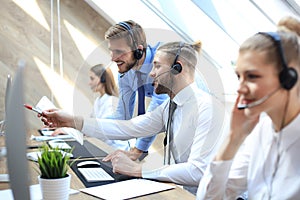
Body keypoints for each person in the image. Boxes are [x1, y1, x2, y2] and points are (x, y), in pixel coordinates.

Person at [40, 41, 228, 194]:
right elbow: (127, 128)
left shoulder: (208, 108)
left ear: (178, 68)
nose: (151, 74)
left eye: (157, 66)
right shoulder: (169, 107)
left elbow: (198, 171)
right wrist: (71, 121)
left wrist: (138, 169)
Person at [196, 26, 300, 199]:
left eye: (252, 76)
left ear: (289, 78)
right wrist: (233, 138)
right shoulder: (261, 131)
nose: (240, 89)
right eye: (239, 77)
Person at [104, 20, 168, 160]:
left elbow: (154, 117)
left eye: (119, 52)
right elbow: (122, 115)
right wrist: (83, 126)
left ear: (139, 50)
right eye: (112, 51)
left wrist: (138, 150)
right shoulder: (126, 73)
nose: (113, 58)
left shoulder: (162, 63)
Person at [53, 64, 129, 150]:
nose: (89, 83)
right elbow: (87, 125)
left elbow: (98, 129)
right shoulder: (98, 101)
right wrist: (66, 129)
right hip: (103, 147)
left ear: (103, 79)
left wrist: (68, 131)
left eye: (92, 79)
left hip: (114, 149)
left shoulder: (112, 102)